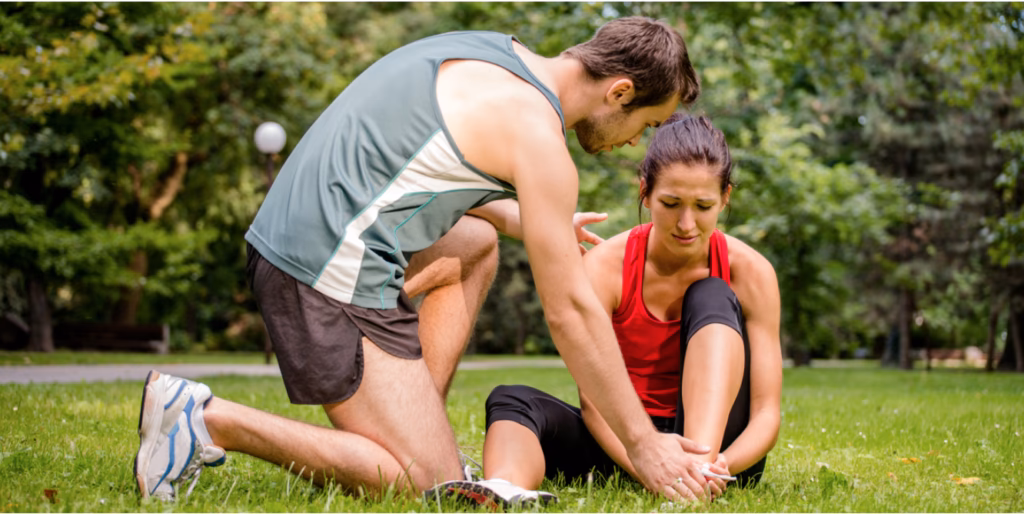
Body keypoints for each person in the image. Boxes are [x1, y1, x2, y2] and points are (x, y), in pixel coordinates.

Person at [133, 16, 713, 504]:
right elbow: (570, 313)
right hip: (321, 270)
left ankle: (416, 426)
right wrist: (643, 444)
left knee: (475, 244)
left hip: (296, 238)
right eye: (648, 123)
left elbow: (409, 158)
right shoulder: (539, 136)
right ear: (619, 92)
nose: (636, 140)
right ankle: (204, 419)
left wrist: (518, 218)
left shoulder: (492, 52)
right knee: (426, 485)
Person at [466, 114, 783, 505]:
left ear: (726, 197)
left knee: (712, 294)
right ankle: (506, 490)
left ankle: (694, 476)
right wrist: (650, 467)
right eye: (671, 203)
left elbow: (766, 412)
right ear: (645, 192)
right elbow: (594, 404)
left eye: (703, 206)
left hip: (718, 452)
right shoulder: (605, 267)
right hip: (627, 441)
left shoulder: (750, 272)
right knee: (511, 399)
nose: (687, 223)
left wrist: (719, 467)